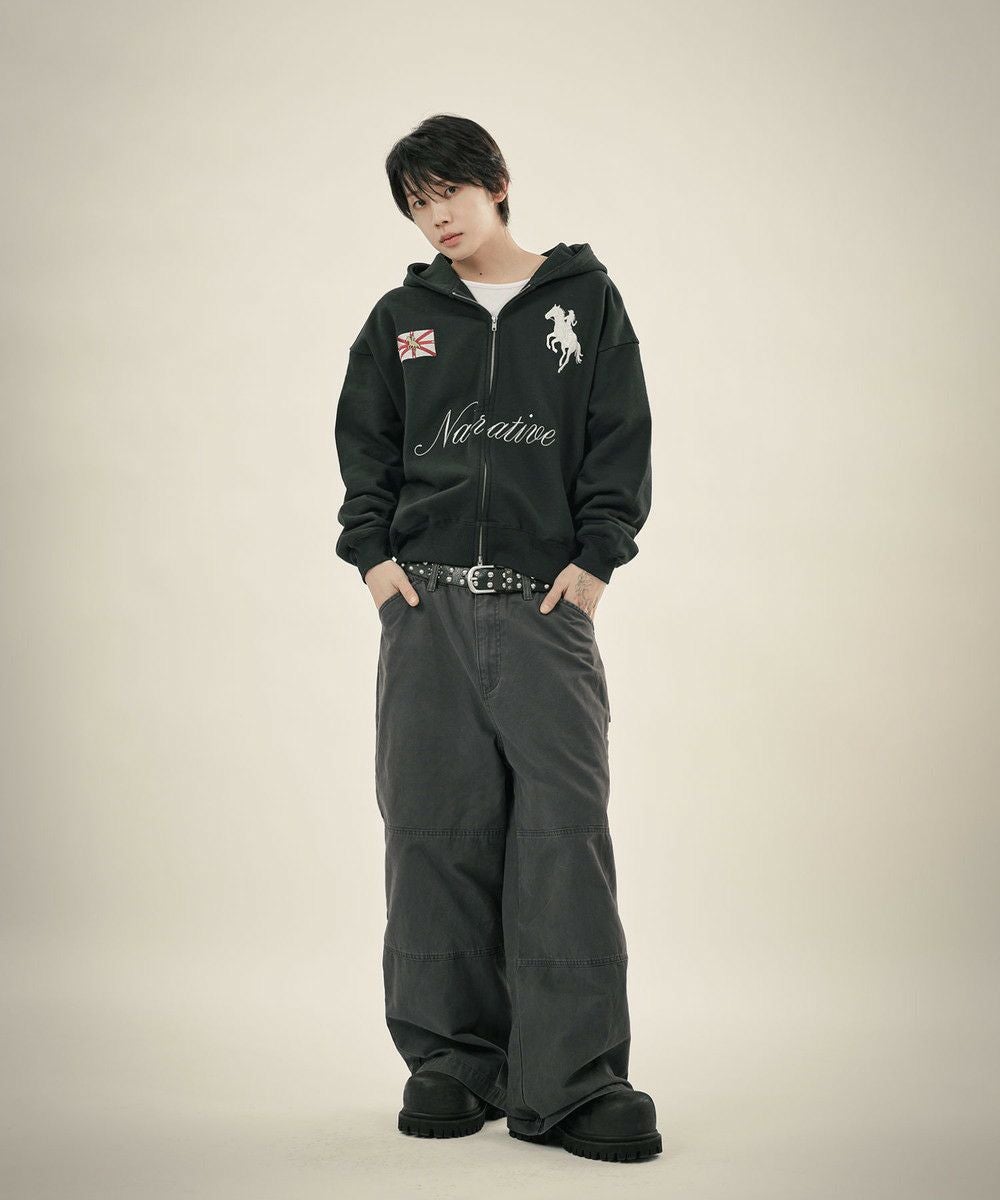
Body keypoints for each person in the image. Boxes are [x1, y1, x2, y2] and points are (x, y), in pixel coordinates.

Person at [333, 113, 658, 1162]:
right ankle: (453, 1060)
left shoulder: (584, 303)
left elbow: (618, 435)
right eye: (416, 203)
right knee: (434, 830)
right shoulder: (401, 318)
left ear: (498, 182)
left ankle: (574, 1079)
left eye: (448, 193)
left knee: (563, 835)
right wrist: (374, 561)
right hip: (424, 608)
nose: (435, 217)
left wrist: (596, 561)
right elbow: (366, 445)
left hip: (544, 609)